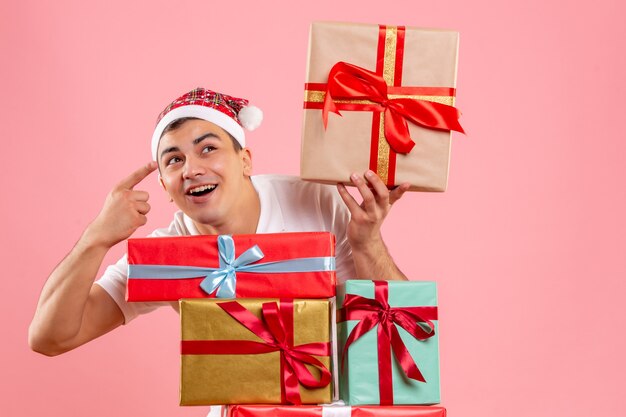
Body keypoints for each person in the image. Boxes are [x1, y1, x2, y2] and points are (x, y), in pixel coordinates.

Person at [28, 88, 409, 357]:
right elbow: (51, 338)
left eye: (208, 148)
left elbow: (406, 331)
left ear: (245, 160)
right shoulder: (167, 254)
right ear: (164, 186)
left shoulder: (316, 201)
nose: (192, 169)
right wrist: (95, 239)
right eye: (174, 160)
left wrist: (367, 242)